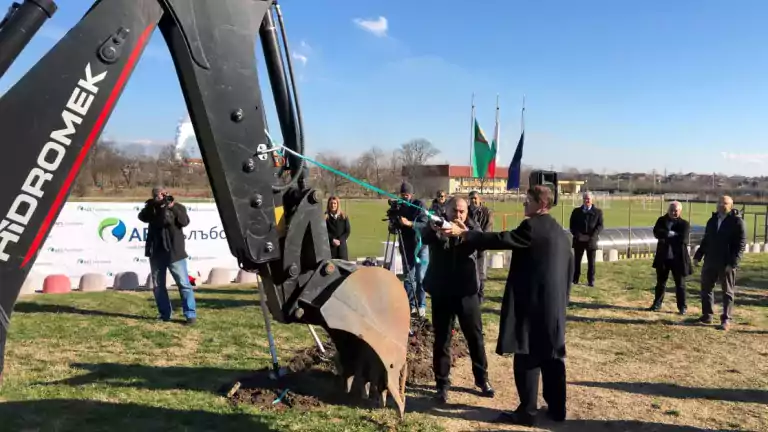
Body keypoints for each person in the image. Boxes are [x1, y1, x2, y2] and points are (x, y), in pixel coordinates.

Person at [457, 185, 572, 426]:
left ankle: (527, 412)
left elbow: (501, 239)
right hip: (555, 308)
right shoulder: (562, 233)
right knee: (553, 357)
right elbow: (570, 271)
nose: (523, 204)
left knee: (527, 356)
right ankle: (557, 409)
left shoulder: (531, 227)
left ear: (541, 204)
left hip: (533, 306)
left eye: (527, 200)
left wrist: (468, 235)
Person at [422, 197, 494, 403]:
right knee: (442, 339)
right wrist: (437, 230)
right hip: (442, 292)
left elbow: (481, 245)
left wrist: (464, 233)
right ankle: (442, 384)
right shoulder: (437, 223)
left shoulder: (472, 227)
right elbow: (424, 236)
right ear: (446, 210)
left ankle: (482, 379)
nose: (458, 214)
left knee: (475, 337)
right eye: (455, 210)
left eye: (462, 211)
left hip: (467, 292)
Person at [137, 186, 197, 325]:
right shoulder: (152, 208)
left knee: (184, 284)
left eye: (165, 194)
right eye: (159, 195)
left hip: (175, 252)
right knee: (158, 286)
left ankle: (190, 315)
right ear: (154, 196)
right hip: (157, 252)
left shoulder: (178, 207)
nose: (163, 196)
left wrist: (172, 206)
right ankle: (165, 314)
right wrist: (155, 204)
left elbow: (184, 221)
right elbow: (142, 217)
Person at [692, 195, 746, 331]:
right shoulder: (712, 220)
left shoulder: (737, 222)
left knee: (727, 292)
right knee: (706, 289)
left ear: (731, 206)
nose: (722, 205)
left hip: (726, 262)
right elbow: (706, 240)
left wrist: (733, 263)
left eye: (725, 203)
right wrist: (698, 256)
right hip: (710, 260)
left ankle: (726, 319)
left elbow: (741, 245)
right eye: (720, 202)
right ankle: (707, 315)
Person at [649, 201, 693, 314]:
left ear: (680, 211)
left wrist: (667, 235)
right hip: (663, 257)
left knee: (680, 284)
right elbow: (656, 233)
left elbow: (683, 239)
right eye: (671, 210)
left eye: (676, 211)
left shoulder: (684, 224)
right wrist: (671, 234)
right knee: (660, 283)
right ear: (668, 210)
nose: (673, 212)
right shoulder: (661, 220)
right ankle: (657, 304)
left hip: (678, 258)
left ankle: (682, 307)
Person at [395, 181, 429, 317]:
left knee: (420, 277)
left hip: (421, 246)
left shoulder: (419, 205)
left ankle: (421, 304)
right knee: (409, 278)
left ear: (412, 194)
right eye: (403, 194)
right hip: (406, 246)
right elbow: (393, 227)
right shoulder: (399, 206)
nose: (405, 197)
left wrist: (409, 223)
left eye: (407, 194)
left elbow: (425, 223)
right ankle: (411, 305)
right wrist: (394, 224)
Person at [569, 191, 603, 287]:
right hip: (578, 240)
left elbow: (600, 226)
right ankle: (575, 279)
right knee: (577, 261)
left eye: (588, 198)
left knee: (591, 262)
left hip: (591, 241)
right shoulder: (576, 212)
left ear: (592, 200)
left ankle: (591, 281)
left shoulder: (597, 212)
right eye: (585, 198)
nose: (586, 200)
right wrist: (578, 235)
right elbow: (572, 226)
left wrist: (592, 236)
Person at [468, 190, 493, 303]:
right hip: (468, 245)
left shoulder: (486, 212)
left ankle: (480, 296)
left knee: (480, 271)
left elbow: (488, 228)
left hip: (481, 245)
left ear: (479, 199)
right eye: (471, 198)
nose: (473, 200)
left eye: (475, 198)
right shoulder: (466, 211)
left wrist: (482, 241)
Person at [325, 196, 351, 260]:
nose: (333, 205)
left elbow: (347, 231)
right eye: (331, 203)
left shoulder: (344, 216)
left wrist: (340, 240)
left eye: (334, 203)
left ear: (337, 204)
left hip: (342, 248)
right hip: (330, 249)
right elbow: (323, 232)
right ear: (328, 204)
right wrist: (332, 240)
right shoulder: (325, 217)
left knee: (343, 268)